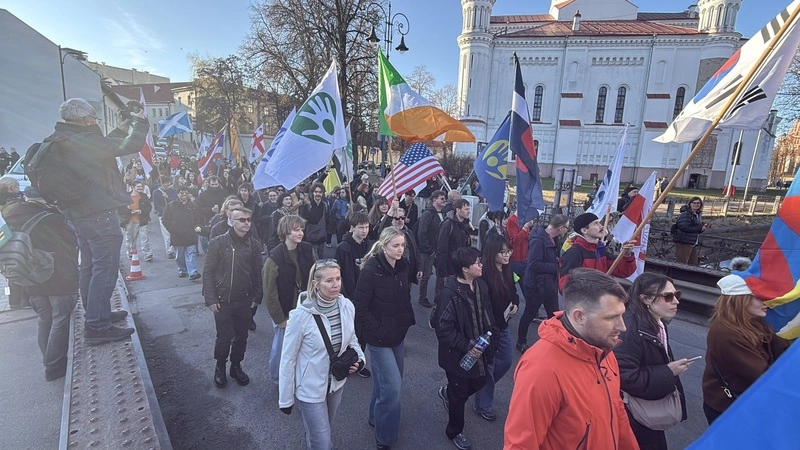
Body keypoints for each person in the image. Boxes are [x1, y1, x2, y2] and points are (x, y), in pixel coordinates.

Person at [504, 268, 639, 449]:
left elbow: (617, 414)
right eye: (611, 317)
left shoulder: (605, 350)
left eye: (622, 315)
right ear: (579, 316)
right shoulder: (541, 370)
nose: (622, 327)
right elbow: (521, 445)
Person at [50, 98, 147, 344]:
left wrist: (122, 127)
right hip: (98, 213)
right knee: (105, 268)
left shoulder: (65, 138)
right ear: (87, 120)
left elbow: (103, 145)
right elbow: (131, 144)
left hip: (79, 213)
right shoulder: (83, 140)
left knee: (91, 267)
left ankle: (98, 314)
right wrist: (140, 122)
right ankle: (97, 326)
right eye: (94, 119)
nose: (95, 123)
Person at [279, 260, 365, 450]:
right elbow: (288, 358)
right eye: (329, 280)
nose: (336, 285)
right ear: (315, 284)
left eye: (338, 279)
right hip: (310, 389)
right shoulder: (300, 316)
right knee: (324, 443)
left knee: (321, 433)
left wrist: (360, 361)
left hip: (336, 384)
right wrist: (285, 398)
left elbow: (352, 340)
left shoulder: (347, 306)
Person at [3, 187, 80, 380]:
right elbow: (70, 243)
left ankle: (47, 359)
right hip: (57, 275)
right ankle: (54, 367)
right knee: (60, 318)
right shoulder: (51, 219)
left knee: (44, 319)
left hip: (30, 278)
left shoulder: (10, 217)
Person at [352, 227, 415, 450]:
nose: (400, 250)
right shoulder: (371, 271)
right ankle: (385, 438)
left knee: (385, 383)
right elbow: (359, 306)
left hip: (397, 334)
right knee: (393, 388)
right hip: (379, 340)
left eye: (403, 246)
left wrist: (406, 318)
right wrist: (376, 331)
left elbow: (404, 296)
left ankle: (374, 417)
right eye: (395, 245)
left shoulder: (402, 266)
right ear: (384, 246)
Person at [615, 273, 690, 449]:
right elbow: (625, 376)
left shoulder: (655, 323)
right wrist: (668, 372)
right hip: (633, 414)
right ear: (646, 299)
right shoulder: (631, 330)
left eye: (676, 295)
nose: (676, 301)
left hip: (644, 408)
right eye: (668, 296)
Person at [701, 274, 790, 425]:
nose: (766, 302)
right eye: (758, 297)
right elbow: (762, 375)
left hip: (743, 401)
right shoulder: (726, 334)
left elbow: (781, 349)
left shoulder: (753, 323)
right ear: (741, 300)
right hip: (728, 408)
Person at [435, 247, 495, 450]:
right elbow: (443, 330)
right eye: (477, 262)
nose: (481, 265)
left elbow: (486, 314)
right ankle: (454, 432)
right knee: (460, 396)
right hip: (457, 354)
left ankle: (449, 394)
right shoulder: (449, 293)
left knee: (480, 381)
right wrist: (467, 345)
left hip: (481, 350)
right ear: (464, 269)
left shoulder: (481, 286)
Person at [203, 207, 263, 388]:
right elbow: (208, 272)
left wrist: (257, 296)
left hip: (244, 299)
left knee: (241, 336)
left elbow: (257, 273)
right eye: (242, 220)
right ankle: (220, 366)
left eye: (248, 219)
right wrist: (211, 298)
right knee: (224, 337)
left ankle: (236, 366)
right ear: (232, 221)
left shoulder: (254, 244)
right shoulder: (218, 243)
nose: (246, 223)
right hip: (222, 300)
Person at [263, 214, 316, 385]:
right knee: (282, 349)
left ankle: (300, 378)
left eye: (301, 229)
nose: (300, 233)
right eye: (296, 229)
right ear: (285, 232)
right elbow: (269, 292)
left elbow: (315, 276)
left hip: (306, 308)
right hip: (285, 311)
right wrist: (279, 318)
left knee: (305, 347)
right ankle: (279, 381)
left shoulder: (307, 249)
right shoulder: (274, 258)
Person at [473, 236, 518, 423]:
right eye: (503, 252)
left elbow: (514, 293)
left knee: (506, 360)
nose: (507, 255)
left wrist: (515, 304)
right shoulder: (483, 274)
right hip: (488, 328)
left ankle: (476, 385)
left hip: (503, 325)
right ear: (493, 253)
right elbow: (481, 304)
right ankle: (483, 403)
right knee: (489, 366)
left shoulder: (508, 270)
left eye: (509, 251)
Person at [518, 214, 570, 353]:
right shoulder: (538, 241)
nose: (567, 230)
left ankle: (553, 342)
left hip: (549, 284)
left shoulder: (554, 239)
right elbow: (534, 264)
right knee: (530, 312)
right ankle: (521, 341)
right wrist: (556, 267)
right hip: (536, 285)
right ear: (560, 228)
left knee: (554, 315)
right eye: (566, 227)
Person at [334, 211, 372, 378]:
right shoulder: (343, 248)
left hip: (366, 297)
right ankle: (345, 362)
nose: (364, 230)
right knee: (350, 332)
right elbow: (338, 273)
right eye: (360, 227)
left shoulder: (370, 246)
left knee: (363, 332)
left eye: (366, 227)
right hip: (349, 297)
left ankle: (358, 362)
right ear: (352, 228)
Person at [559, 212, 637, 289]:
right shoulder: (574, 253)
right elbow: (565, 285)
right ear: (584, 230)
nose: (601, 226)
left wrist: (626, 255)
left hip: (600, 297)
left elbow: (622, 272)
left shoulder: (600, 250)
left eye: (599, 223)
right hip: (585, 300)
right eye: (596, 223)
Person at [434, 198, 473, 303]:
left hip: (459, 267)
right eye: (466, 209)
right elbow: (441, 250)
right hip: (448, 268)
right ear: (458, 210)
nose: (468, 211)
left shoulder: (464, 225)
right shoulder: (447, 225)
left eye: (469, 209)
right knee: (443, 299)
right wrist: (443, 274)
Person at [161, 186, 203, 280]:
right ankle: (182, 269)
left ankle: (192, 272)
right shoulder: (171, 205)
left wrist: (197, 226)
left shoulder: (193, 206)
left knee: (191, 253)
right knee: (179, 255)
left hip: (190, 234)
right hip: (177, 234)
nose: (184, 195)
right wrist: (171, 228)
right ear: (178, 194)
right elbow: (164, 219)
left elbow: (198, 218)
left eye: (186, 193)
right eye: (182, 193)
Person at [416, 190, 446, 308]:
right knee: (426, 275)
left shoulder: (442, 213)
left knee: (441, 275)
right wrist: (428, 249)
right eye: (441, 198)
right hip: (427, 251)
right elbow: (422, 232)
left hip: (439, 250)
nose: (444, 200)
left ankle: (439, 297)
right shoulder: (428, 214)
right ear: (434, 200)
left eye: (444, 198)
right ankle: (422, 298)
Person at [120, 180, 153, 261]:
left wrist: (141, 211)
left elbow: (149, 207)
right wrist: (130, 212)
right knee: (130, 238)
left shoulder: (144, 196)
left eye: (141, 186)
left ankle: (147, 254)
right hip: (130, 221)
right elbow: (121, 209)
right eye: (138, 186)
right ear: (133, 187)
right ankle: (131, 252)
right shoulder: (126, 197)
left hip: (142, 220)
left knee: (144, 238)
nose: (140, 188)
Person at [673, 197, 708, 265]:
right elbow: (684, 227)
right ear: (690, 204)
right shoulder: (686, 214)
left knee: (693, 263)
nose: (696, 204)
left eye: (698, 203)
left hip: (692, 242)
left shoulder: (696, 215)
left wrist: (702, 229)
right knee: (681, 263)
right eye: (694, 203)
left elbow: (694, 229)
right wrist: (699, 228)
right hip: (684, 241)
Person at [300, 183, 329, 258]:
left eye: (320, 192)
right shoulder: (307, 206)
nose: (318, 194)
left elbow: (328, 221)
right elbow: (302, 223)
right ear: (312, 193)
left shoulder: (325, 206)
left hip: (322, 238)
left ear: (323, 193)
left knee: (321, 261)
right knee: (313, 262)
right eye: (316, 192)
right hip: (310, 240)